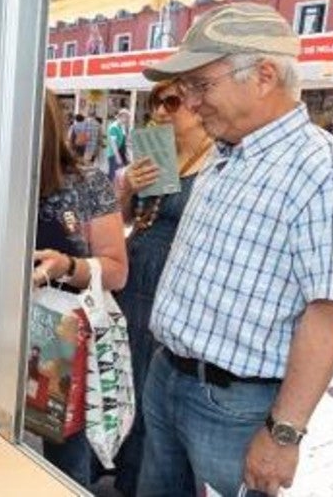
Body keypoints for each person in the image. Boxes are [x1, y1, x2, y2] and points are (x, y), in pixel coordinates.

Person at [138, 3, 333, 497]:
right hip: (170, 375)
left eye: (201, 85)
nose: (191, 101)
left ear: (264, 75)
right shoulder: (227, 153)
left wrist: (284, 434)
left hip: (236, 402)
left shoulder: (324, 172)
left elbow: (329, 314)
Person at [0, 90, 128, 488]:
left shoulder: (88, 184)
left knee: (63, 463)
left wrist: (66, 267)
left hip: (61, 344)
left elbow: (115, 272)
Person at [112, 80, 215, 496]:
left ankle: (155, 480)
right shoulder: (157, 153)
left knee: (160, 383)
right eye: (156, 102)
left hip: (176, 281)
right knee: (129, 376)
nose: (160, 111)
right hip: (136, 272)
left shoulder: (217, 162)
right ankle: (126, 473)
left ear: (196, 104)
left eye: (171, 102)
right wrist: (126, 189)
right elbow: (124, 221)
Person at [106, 108, 131, 180]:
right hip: (114, 154)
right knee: (113, 174)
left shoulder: (121, 126)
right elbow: (113, 144)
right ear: (122, 116)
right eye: (127, 118)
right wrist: (118, 157)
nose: (127, 120)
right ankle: (111, 189)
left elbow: (123, 140)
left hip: (121, 153)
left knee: (120, 174)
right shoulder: (114, 127)